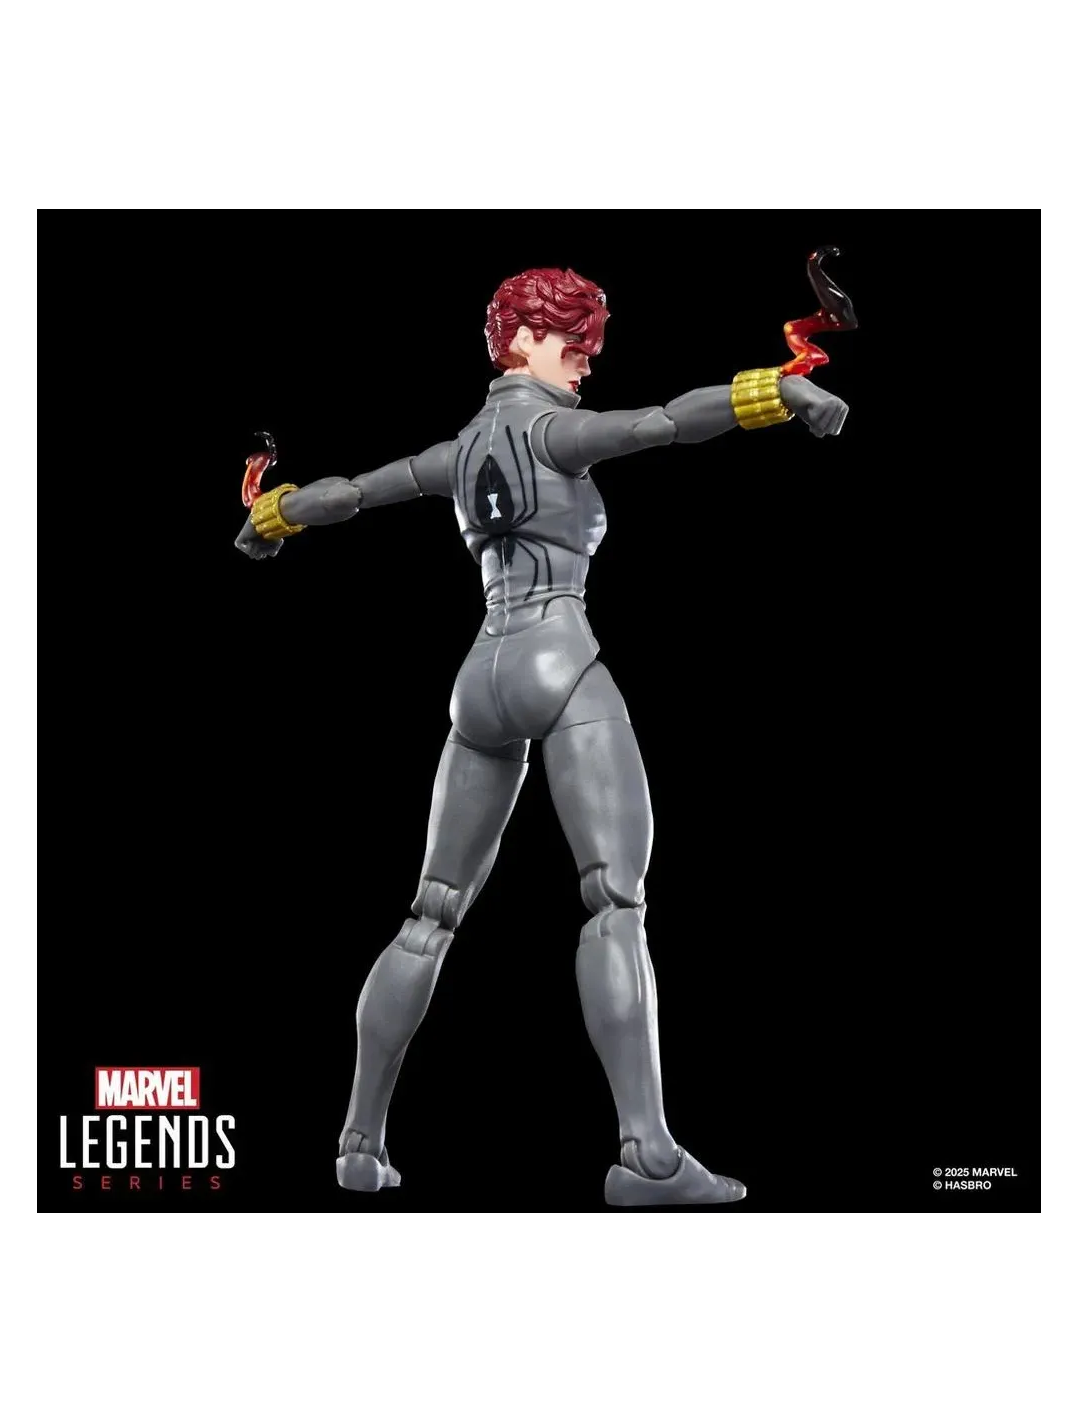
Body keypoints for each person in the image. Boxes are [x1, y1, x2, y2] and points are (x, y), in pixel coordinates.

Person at [235, 267, 848, 1205]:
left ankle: (358, 1141)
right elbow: (662, 424)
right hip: (559, 659)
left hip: (480, 676)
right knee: (614, 901)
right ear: (520, 340)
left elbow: (354, 492)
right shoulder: (553, 432)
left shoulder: (460, 450)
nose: (586, 362)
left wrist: (271, 513)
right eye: (572, 343)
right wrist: (779, 391)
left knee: (430, 914)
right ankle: (646, 1156)